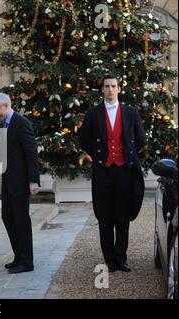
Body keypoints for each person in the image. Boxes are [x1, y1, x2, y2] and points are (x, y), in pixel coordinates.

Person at [79, 74, 146, 272]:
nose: (109, 89)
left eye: (113, 86)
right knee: (105, 217)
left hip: (124, 171)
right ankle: (109, 259)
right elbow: (84, 140)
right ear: (102, 90)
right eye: (106, 86)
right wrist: (99, 156)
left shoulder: (131, 112)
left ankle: (121, 257)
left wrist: (128, 154)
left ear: (119, 89)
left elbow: (140, 139)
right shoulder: (93, 113)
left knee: (122, 217)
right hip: (103, 171)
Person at [0, 93, 41, 273]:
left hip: (20, 182)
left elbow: (31, 152)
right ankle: (19, 256)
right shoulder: (6, 123)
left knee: (21, 220)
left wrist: (33, 180)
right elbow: (1, 152)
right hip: (8, 181)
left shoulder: (21, 122)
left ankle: (27, 262)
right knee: (8, 217)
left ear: (6, 106)